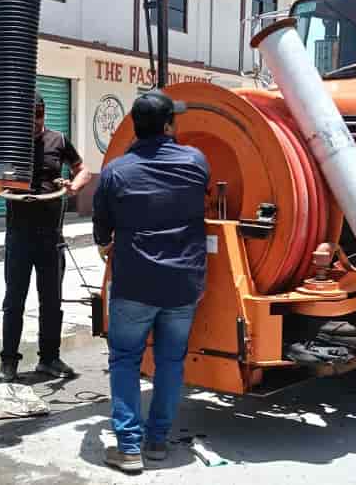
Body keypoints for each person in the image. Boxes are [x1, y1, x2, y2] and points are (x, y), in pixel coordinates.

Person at [92, 90, 209, 473]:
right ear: (169, 126)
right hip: (183, 283)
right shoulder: (196, 162)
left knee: (125, 360)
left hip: (135, 283)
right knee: (170, 361)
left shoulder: (116, 171)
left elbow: (101, 226)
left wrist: (105, 243)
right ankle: (157, 441)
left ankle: (128, 447)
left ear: (135, 127)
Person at [0, 91, 90, 382]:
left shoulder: (59, 140)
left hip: (51, 236)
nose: (34, 122)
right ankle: (8, 362)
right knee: (14, 301)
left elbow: (82, 169)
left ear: (43, 114)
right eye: (28, 117)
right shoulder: (9, 142)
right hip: (19, 235)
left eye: (38, 116)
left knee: (51, 301)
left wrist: (74, 186)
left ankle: (49, 359)